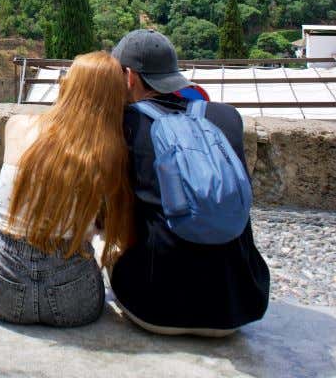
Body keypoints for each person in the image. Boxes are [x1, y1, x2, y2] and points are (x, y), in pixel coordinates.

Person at [110, 29, 270, 336]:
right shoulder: (227, 118)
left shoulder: (126, 125)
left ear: (129, 77)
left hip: (153, 308)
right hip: (237, 308)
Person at [0, 51, 134, 327]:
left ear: (67, 84)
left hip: (2, 291)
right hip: (73, 301)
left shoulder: (16, 125)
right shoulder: (110, 152)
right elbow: (114, 232)